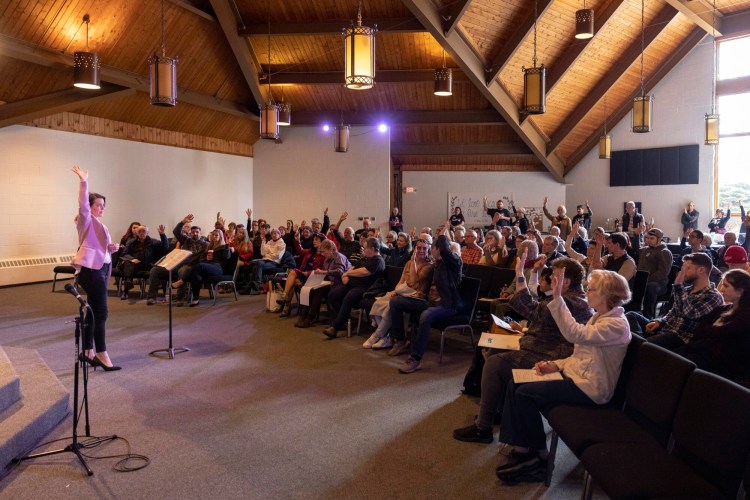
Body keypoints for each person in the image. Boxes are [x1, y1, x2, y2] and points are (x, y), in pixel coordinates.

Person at [494, 269, 631, 483]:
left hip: (590, 388)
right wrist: (554, 365)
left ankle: (540, 457)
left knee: (525, 393)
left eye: (591, 289)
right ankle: (523, 450)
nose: (587, 292)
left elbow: (574, 334)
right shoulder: (598, 317)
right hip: (575, 377)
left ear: (606, 294)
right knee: (515, 383)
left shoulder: (616, 325)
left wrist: (558, 298)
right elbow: (579, 355)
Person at [453, 256, 592, 445]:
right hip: (545, 346)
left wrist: (520, 274)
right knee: (495, 351)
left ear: (566, 282)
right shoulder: (574, 298)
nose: (551, 278)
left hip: (550, 355)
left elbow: (531, 309)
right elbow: (536, 307)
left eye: (555, 276)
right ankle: (498, 411)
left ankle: (482, 428)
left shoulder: (569, 302)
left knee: (494, 364)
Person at [388, 230, 463, 373]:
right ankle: (401, 340)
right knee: (396, 302)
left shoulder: (454, 263)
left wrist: (441, 235)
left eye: (432, 248)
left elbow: (446, 250)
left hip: (447, 305)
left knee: (425, 316)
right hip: (430, 302)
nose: (429, 251)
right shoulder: (437, 264)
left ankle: (415, 359)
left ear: (437, 250)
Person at [70, 165, 121, 371]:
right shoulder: (86, 219)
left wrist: (111, 248)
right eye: (99, 205)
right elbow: (82, 203)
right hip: (91, 272)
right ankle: (101, 353)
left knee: (93, 312)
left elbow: (100, 248)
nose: (102, 208)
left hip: (99, 270)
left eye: (103, 205)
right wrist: (84, 181)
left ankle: (87, 351)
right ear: (90, 206)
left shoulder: (100, 225)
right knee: (102, 313)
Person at [627, 252, 724, 351]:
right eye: (682, 269)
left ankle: (639, 345)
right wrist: (660, 321)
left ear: (701, 270)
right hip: (665, 328)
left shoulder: (713, 296)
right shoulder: (686, 290)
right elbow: (673, 312)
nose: (682, 272)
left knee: (643, 342)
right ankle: (640, 343)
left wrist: (678, 286)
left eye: (687, 268)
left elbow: (690, 314)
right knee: (631, 315)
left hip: (679, 336)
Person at [363, 238, 434, 350]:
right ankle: (387, 336)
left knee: (390, 306)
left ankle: (378, 335)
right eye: (418, 248)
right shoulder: (409, 263)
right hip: (403, 292)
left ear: (428, 249)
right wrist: (396, 291)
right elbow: (401, 281)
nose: (421, 251)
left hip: (416, 296)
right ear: (415, 248)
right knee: (379, 303)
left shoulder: (429, 265)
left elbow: (415, 281)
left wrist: (414, 262)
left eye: (424, 248)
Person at [682, 269, 750, 385]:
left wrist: (709, 332)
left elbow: (722, 332)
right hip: (706, 353)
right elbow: (698, 330)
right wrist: (710, 333)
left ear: (740, 292)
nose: (721, 289)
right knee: (673, 356)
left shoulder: (746, 315)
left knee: (680, 365)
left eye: (726, 286)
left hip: (726, 364)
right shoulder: (722, 309)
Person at [323, 237, 385, 339]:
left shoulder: (378, 260)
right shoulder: (365, 258)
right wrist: (345, 275)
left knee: (349, 297)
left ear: (373, 248)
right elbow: (353, 267)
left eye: (365, 248)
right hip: (351, 284)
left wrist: (347, 273)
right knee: (332, 295)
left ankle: (335, 327)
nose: (363, 250)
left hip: (365, 288)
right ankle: (344, 320)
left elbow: (364, 272)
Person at [294, 239, 351, 328]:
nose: (323, 254)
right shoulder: (327, 259)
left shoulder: (339, 257)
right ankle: (303, 315)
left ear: (331, 249)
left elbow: (340, 271)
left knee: (319, 291)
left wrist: (324, 272)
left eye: (324, 252)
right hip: (330, 282)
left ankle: (310, 317)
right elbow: (325, 272)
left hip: (340, 284)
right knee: (309, 288)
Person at [118, 224, 169, 299]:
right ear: (136, 233)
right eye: (139, 231)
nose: (141, 233)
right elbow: (124, 254)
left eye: (143, 231)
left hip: (148, 265)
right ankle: (126, 290)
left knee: (128, 267)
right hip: (135, 265)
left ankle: (127, 286)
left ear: (147, 232)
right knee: (128, 263)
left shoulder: (153, 242)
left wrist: (162, 235)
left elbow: (165, 247)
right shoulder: (131, 242)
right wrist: (132, 259)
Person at [182, 229, 230, 307]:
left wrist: (228, 245)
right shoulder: (209, 246)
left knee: (200, 265)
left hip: (218, 268)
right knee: (196, 275)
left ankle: (182, 280)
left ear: (220, 237)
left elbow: (227, 257)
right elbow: (202, 259)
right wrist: (206, 258)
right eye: (213, 235)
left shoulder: (223, 246)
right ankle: (195, 299)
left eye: (216, 235)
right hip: (208, 266)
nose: (214, 237)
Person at [637, 228, 673, 318]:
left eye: (651, 238)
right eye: (647, 238)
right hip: (643, 280)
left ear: (659, 239)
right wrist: (636, 235)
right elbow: (633, 249)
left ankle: (648, 316)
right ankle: (633, 311)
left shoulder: (664, 252)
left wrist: (646, 280)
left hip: (658, 284)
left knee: (651, 287)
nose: (648, 240)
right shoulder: (645, 250)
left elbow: (662, 273)